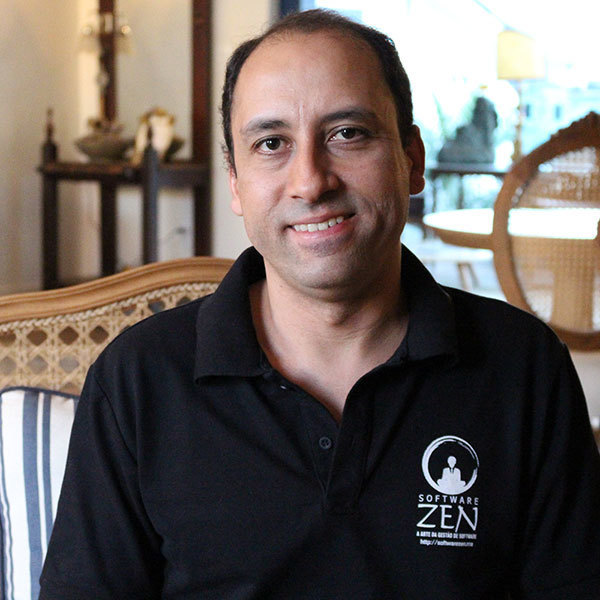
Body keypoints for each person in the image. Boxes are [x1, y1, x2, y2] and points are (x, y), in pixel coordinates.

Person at [40, 9, 600, 599]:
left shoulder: (524, 367)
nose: (310, 182)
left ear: (412, 159)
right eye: (271, 143)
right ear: (235, 181)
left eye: (347, 134)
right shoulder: (137, 380)